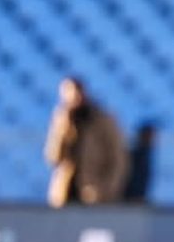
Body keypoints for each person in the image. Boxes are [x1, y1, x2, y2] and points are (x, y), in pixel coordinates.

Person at [43, 77, 129, 207]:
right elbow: (53, 158)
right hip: (66, 193)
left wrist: (106, 189)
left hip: (94, 192)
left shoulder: (101, 120)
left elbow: (117, 157)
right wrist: (62, 130)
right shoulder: (62, 120)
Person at [123, 122, 158, 203]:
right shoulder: (134, 156)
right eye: (149, 136)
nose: (152, 139)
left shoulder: (148, 155)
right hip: (130, 199)